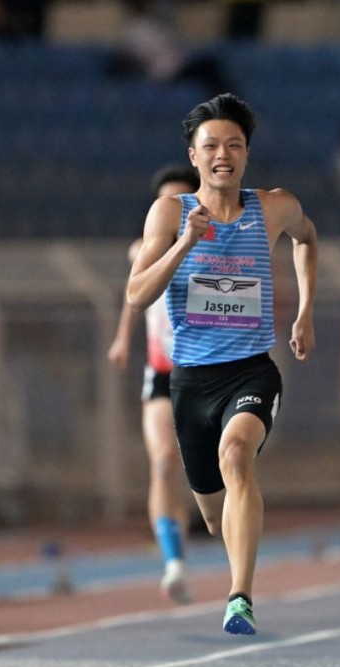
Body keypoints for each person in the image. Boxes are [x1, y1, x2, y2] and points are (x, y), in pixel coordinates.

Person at [126, 92, 318, 637]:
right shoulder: (170, 213)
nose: (222, 155)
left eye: (234, 145)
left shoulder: (274, 206)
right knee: (213, 517)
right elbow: (137, 295)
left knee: (237, 456)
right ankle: (226, 550)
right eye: (211, 146)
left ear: (247, 153)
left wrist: (305, 311)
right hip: (190, 381)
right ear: (194, 156)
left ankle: (240, 597)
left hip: (251, 369)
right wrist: (184, 243)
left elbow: (307, 239)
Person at [108, 164, 200, 604]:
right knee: (164, 461)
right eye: (165, 202)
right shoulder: (146, 248)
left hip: (208, 373)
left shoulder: (218, 247)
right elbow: (135, 292)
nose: (172, 209)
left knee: (209, 472)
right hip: (163, 375)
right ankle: (173, 563)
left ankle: (204, 537)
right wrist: (123, 338)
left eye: (180, 202)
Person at [105, 0, 231, 92]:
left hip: (176, 63)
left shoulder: (153, 24)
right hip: (164, 71)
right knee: (208, 67)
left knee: (209, 64)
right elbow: (142, 56)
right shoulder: (134, 31)